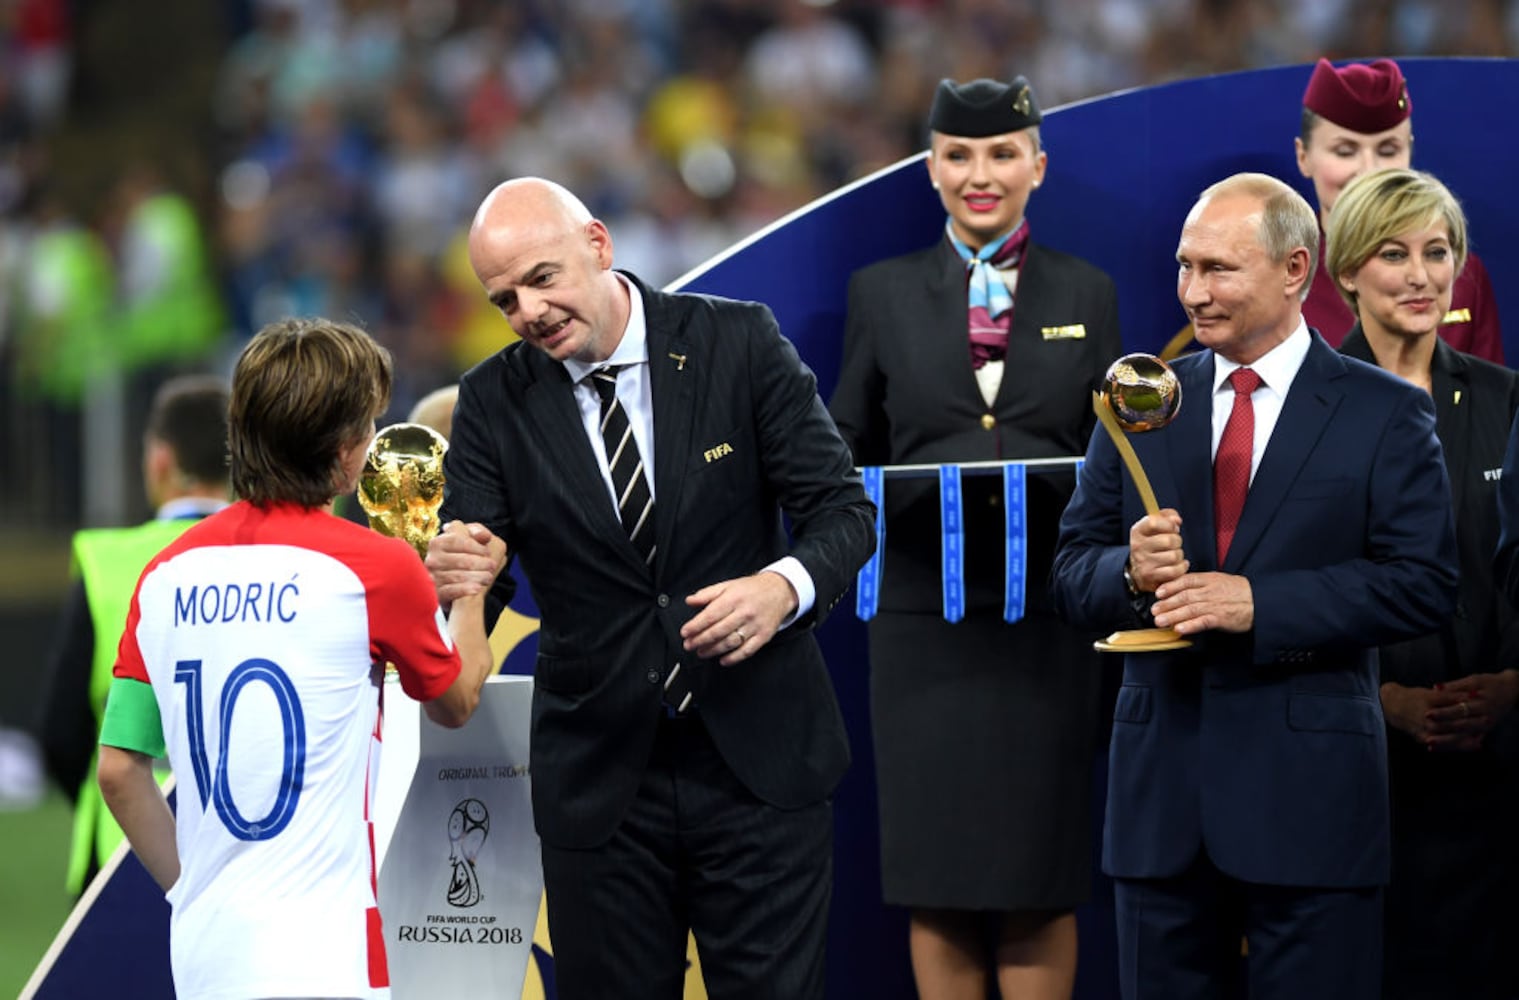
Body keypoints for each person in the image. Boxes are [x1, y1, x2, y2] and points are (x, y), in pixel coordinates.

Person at [425, 177, 876, 999]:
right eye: (504, 300)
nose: (527, 310)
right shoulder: (491, 401)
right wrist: (453, 585)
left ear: (598, 245)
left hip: (760, 765)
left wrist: (780, 590)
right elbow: (475, 581)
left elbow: (843, 515)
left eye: (542, 278)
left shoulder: (737, 341)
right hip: (601, 789)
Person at [1050, 172, 1458, 999]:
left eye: (1218, 270)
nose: (1192, 293)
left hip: (1312, 805)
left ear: (1294, 268)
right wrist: (1126, 570)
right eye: (1184, 266)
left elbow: (1423, 584)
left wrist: (1260, 605)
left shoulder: (1382, 413)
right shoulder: (1138, 402)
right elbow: (1069, 572)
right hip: (1158, 804)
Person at [95, 317, 505, 999]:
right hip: (323, 950)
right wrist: (468, 593)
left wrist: (190, 888)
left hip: (203, 947)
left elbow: (118, 771)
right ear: (348, 451)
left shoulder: (164, 572)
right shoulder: (372, 566)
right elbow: (456, 700)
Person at [828, 75, 1119, 1000]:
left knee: (1041, 877)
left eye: (1000, 154)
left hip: (1050, 617)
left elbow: (1115, 453)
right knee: (937, 878)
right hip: (922, 617)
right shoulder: (878, 293)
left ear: (1038, 163)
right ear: (930, 168)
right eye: (958, 155)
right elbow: (843, 446)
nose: (979, 174)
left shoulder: (1090, 290)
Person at [1323, 166, 1519, 1000]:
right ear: (1346, 273)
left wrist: (1514, 684)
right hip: (1360, 780)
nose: (1419, 275)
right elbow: (1294, 591)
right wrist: (1381, 700)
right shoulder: (1306, 412)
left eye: (1437, 252)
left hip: (1498, 782)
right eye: (1393, 254)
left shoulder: (1506, 402)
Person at [37, 374, 231, 896]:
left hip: (121, 837)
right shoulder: (275, 558)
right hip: (243, 831)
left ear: (161, 460)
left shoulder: (107, 559)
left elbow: (60, 729)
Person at [1295, 57, 1504, 362]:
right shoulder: (1280, 279)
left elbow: (1489, 402)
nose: (1369, 171)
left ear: (1410, 151)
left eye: (1388, 150)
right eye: (1345, 151)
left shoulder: (1461, 275)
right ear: (1303, 157)